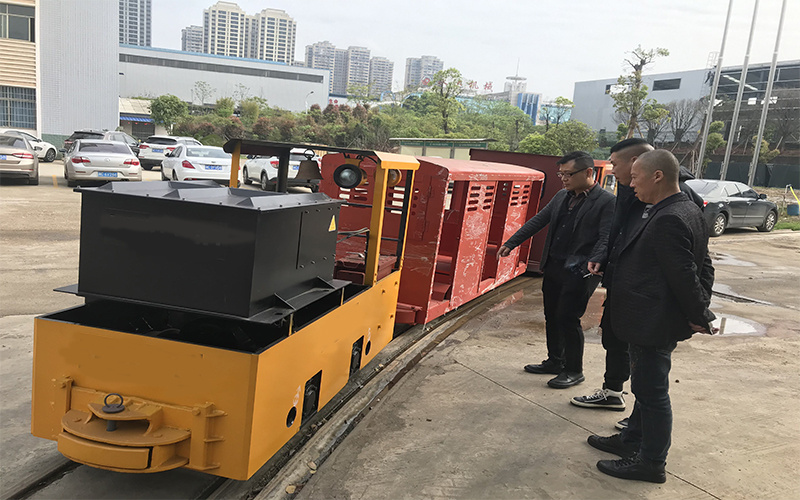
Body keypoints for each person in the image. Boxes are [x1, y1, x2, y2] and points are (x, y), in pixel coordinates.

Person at [586, 149, 716, 483]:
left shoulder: (669, 217)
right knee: (645, 389)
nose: (631, 184)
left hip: (653, 321)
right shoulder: (685, 209)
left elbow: (686, 274)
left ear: (657, 176)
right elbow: (704, 266)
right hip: (648, 318)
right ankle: (632, 439)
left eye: (635, 178)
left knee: (652, 394)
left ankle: (651, 462)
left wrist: (699, 314)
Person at [497, 151, 614, 389]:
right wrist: (512, 242)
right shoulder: (562, 196)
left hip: (581, 271)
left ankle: (574, 370)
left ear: (588, 172)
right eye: (561, 174)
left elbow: (606, 236)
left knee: (568, 317)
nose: (563, 179)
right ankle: (555, 361)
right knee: (551, 314)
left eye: (568, 174)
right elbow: (539, 220)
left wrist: (597, 258)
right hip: (554, 265)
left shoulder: (606, 201)